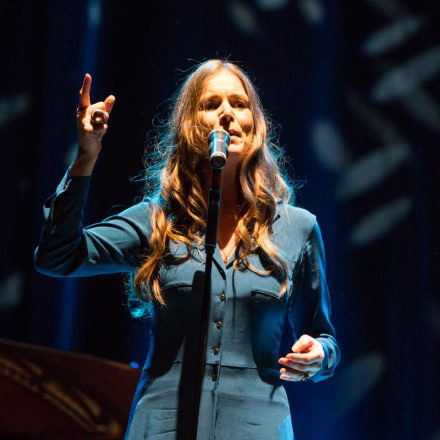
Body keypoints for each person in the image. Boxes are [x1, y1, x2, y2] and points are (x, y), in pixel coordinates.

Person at [34, 59, 340, 440]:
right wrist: (86, 156)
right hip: (162, 423)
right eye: (211, 105)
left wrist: (319, 354)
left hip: (257, 424)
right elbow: (57, 257)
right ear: (191, 126)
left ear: (255, 123)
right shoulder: (156, 221)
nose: (227, 113)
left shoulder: (298, 228)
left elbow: (323, 336)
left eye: (239, 103)